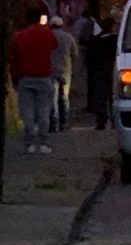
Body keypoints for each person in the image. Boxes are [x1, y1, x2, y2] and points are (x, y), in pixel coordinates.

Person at [8, 8, 58, 154]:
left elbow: (14, 59)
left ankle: (29, 143)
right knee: (44, 112)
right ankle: (44, 142)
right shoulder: (47, 34)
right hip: (44, 76)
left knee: (27, 112)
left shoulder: (19, 36)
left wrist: (14, 77)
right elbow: (54, 46)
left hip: (25, 77)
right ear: (39, 19)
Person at [48, 16, 79, 131]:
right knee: (64, 97)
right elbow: (75, 54)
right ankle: (64, 122)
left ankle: (53, 123)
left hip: (51, 70)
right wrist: (71, 64)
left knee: (53, 97)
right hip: (65, 70)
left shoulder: (48, 37)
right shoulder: (68, 37)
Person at [89, 16, 119, 130]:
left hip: (99, 70)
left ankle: (101, 121)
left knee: (100, 98)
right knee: (113, 97)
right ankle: (115, 121)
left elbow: (90, 56)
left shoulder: (97, 39)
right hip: (112, 70)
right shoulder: (116, 39)